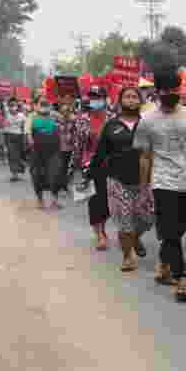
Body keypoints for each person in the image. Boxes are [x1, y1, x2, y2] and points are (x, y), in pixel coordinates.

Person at [134, 67, 186, 303]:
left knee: (178, 230)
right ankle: (181, 279)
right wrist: (144, 187)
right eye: (166, 90)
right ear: (158, 91)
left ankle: (164, 263)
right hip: (161, 182)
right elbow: (143, 155)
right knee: (172, 232)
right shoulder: (147, 120)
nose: (171, 93)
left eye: (175, 89)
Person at [93, 86, 153, 273]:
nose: (131, 100)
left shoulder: (147, 124)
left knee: (148, 218)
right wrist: (89, 175)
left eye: (134, 97)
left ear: (140, 101)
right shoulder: (111, 125)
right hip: (117, 180)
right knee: (125, 220)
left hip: (145, 180)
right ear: (120, 101)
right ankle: (127, 256)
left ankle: (135, 237)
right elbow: (101, 153)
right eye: (127, 97)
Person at [72, 87, 114, 251]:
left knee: (107, 201)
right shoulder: (83, 119)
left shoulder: (112, 118)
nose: (95, 100)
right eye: (92, 97)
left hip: (110, 164)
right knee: (95, 201)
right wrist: (75, 168)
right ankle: (99, 234)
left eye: (98, 97)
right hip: (89, 164)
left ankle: (102, 228)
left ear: (105, 99)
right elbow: (78, 144)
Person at [27, 99, 63, 210]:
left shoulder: (55, 115)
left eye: (46, 105)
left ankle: (54, 200)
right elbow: (28, 133)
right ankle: (40, 200)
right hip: (37, 151)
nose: (43, 107)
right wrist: (31, 142)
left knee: (55, 174)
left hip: (53, 151)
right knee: (37, 175)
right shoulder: (31, 117)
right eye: (41, 105)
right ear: (36, 106)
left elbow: (64, 122)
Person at [2, 98, 28, 181]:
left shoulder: (22, 115)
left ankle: (18, 170)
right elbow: (2, 125)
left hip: (19, 136)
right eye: (11, 105)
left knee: (19, 155)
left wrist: (25, 137)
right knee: (12, 155)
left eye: (14, 105)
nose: (13, 107)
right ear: (8, 106)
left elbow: (25, 127)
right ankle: (14, 174)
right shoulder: (6, 115)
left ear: (17, 106)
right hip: (9, 136)